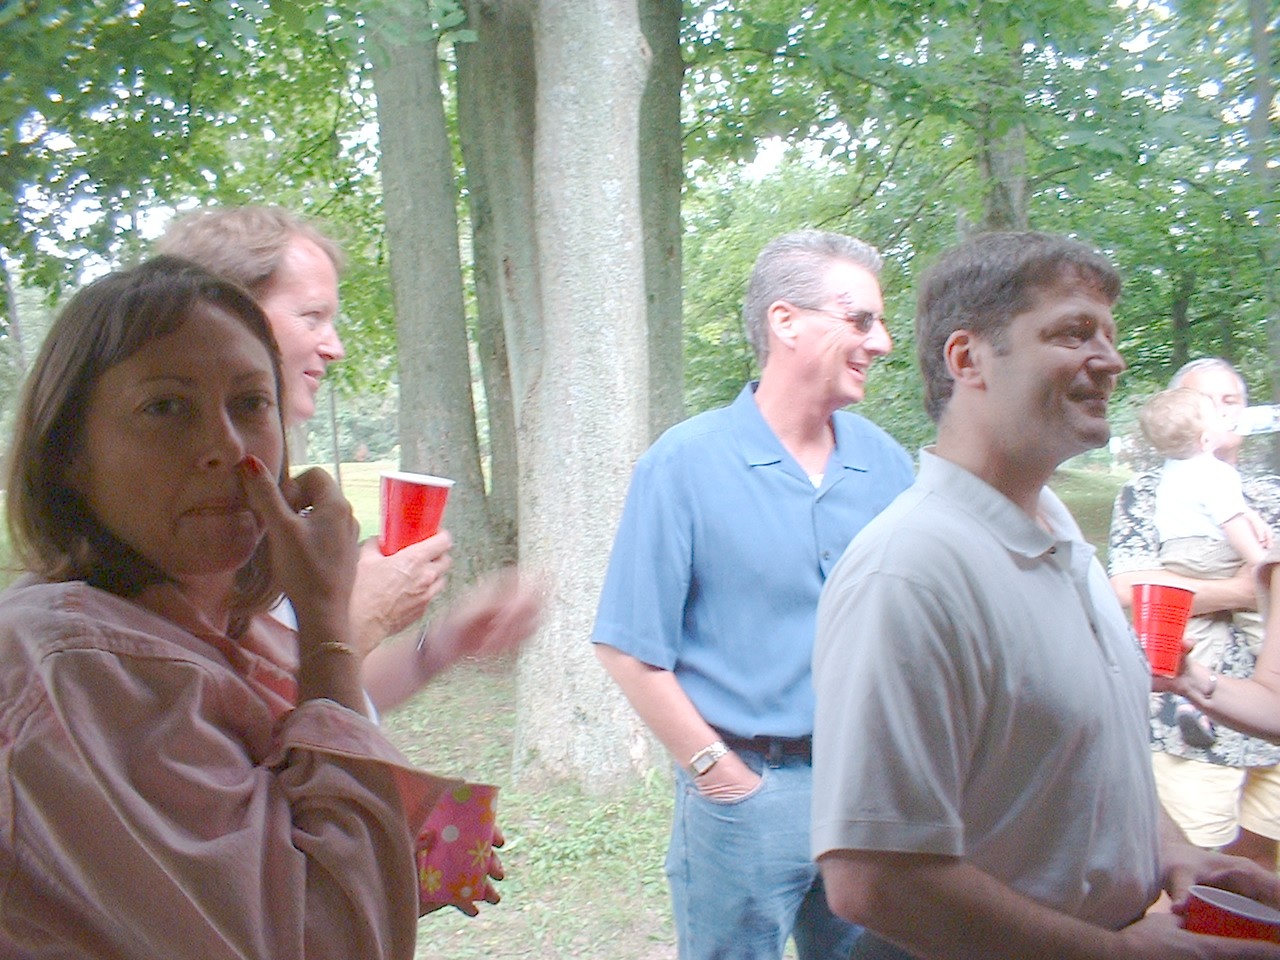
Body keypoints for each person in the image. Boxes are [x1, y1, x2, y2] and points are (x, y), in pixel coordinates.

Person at [811, 231, 1280, 960]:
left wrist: (1170, 849)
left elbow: (1082, 759)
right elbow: (873, 882)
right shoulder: (909, 573)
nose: (1112, 360)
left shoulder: (1060, 540)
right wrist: (1120, 954)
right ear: (968, 359)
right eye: (1073, 333)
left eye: (1110, 337)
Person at [0, 256, 458, 958]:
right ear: (69, 456)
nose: (226, 446)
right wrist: (327, 625)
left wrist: (397, 846)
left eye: (250, 404)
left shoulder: (222, 631)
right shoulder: (77, 665)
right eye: (165, 408)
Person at [592, 229, 915, 960]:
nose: (882, 342)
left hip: (869, 801)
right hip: (747, 802)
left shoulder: (888, 467)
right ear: (786, 321)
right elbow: (628, 645)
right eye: (861, 319)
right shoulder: (684, 464)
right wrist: (718, 772)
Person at [158, 205, 540, 715]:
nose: (335, 348)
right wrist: (350, 621)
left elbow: (334, 703)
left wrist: (442, 645)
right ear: (228, 317)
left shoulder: (260, 508)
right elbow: (239, 735)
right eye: (312, 317)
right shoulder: (181, 528)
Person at [1110, 358, 1280, 873]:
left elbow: (1158, 583)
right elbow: (1128, 588)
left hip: (1270, 723)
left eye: (1231, 400)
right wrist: (1245, 591)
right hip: (1190, 721)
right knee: (1191, 864)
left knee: (1260, 863)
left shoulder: (1270, 490)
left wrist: (1185, 587)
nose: (1220, 411)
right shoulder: (1146, 492)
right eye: (1205, 400)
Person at [1137, 386, 1272, 748]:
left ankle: (1191, 705)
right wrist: (1258, 563)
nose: (1227, 416)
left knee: (1199, 630)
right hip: (1215, 551)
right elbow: (1229, 520)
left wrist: (1250, 514)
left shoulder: (1172, 472)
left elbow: (1220, 507)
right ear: (1206, 439)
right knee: (1260, 612)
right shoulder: (1216, 471)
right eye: (1216, 412)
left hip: (1178, 554)